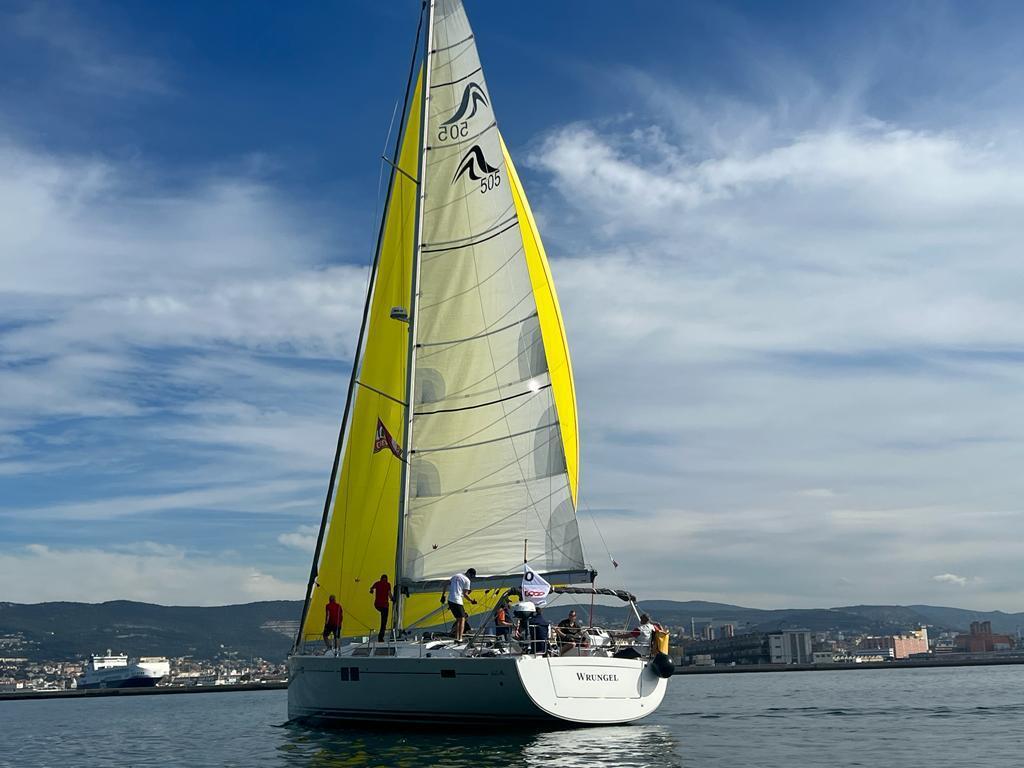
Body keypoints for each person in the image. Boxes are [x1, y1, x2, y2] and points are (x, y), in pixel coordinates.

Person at [447, 568, 477, 642]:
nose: (471, 578)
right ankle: (460, 638)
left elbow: (445, 584)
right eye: (472, 576)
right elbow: (465, 594)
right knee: (463, 619)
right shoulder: (467, 580)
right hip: (457, 600)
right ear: (469, 573)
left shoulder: (456, 575)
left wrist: (443, 596)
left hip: (450, 600)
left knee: (458, 619)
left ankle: (457, 637)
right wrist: (471, 601)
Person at [369, 574, 392, 643]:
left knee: (383, 621)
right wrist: (393, 599)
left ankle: (381, 637)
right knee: (384, 622)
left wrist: (371, 591)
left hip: (377, 605)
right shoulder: (388, 584)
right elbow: (389, 593)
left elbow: (371, 588)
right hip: (384, 606)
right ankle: (380, 637)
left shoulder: (377, 583)